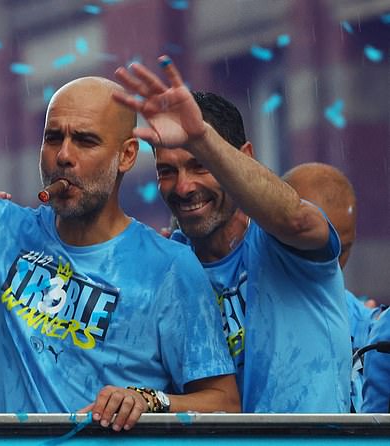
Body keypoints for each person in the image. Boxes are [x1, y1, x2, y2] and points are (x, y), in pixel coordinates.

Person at [0, 21, 239, 430]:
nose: (64, 156)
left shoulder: (171, 267)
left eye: (85, 140)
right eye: (53, 138)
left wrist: (150, 401)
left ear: (126, 156)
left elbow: (225, 403)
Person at [113, 57, 351, 413]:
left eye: (200, 165)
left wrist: (202, 138)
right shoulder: (166, 266)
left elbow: (296, 220)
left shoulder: (285, 243)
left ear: (245, 158)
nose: (184, 187)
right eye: (167, 170)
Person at [283, 162, 379, 412]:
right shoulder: (241, 308)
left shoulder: (369, 326)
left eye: (342, 249)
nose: (330, 265)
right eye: (316, 248)